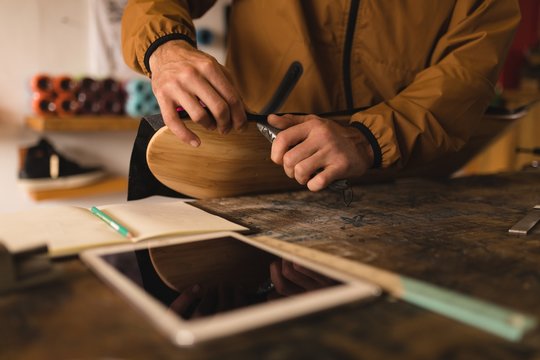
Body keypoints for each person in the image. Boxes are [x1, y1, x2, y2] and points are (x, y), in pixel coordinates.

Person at [121, 0, 520, 193]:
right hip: (245, 165)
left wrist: (368, 138)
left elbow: (464, 77)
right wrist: (165, 47)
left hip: (388, 181)